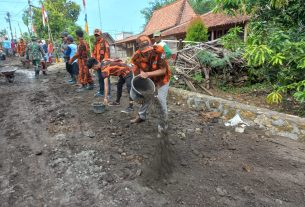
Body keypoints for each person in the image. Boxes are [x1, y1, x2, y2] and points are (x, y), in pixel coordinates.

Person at [130, 35, 171, 125]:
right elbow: (136, 72)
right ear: (139, 48)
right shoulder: (136, 56)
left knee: (160, 99)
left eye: (148, 50)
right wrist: (137, 91)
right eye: (144, 51)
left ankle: (163, 124)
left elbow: (163, 70)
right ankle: (141, 116)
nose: (147, 53)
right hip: (149, 79)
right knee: (146, 95)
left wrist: (147, 74)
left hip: (162, 79)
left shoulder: (159, 51)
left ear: (150, 45)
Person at [91, 28, 111, 97]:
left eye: (98, 35)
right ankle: (101, 92)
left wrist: (103, 63)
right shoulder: (94, 44)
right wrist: (94, 63)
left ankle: (108, 94)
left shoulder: (105, 42)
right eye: (95, 35)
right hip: (97, 64)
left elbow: (107, 54)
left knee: (106, 79)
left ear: (101, 35)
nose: (96, 36)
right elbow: (93, 54)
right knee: (100, 78)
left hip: (104, 64)